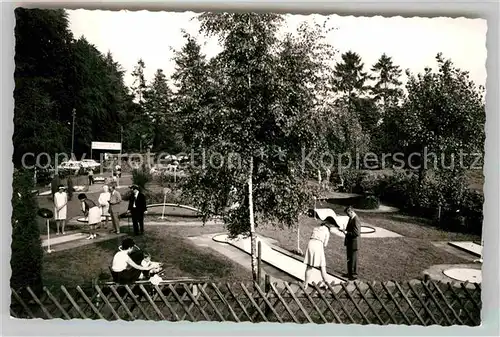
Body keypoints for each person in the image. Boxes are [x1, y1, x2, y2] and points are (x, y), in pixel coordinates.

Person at [303, 221, 334, 289]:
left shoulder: (315, 228)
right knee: (322, 266)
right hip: (318, 245)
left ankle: (305, 284)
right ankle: (327, 284)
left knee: (309, 265)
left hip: (311, 244)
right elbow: (325, 245)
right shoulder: (327, 231)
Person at [341, 206, 361, 280]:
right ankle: (349, 273)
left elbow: (356, 233)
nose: (347, 215)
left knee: (353, 259)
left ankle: (354, 275)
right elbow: (349, 229)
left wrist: (346, 232)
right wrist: (344, 231)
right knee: (349, 259)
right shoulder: (351, 218)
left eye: (348, 213)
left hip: (354, 243)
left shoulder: (356, 219)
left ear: (351, 211)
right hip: (350, 242)